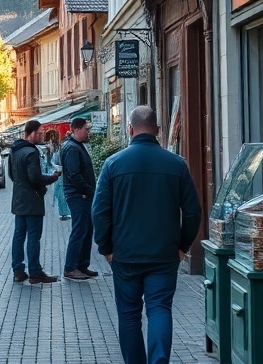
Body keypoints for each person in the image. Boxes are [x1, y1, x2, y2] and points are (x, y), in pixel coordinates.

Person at [92, 106, 201, 364]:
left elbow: (99, 212)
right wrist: (183, 246)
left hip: (125, 254)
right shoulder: (176, 164)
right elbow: (193, 211)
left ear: (130, 130)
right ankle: (159, 360)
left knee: (129, 314)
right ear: (158, 131)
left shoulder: (113, 164)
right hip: (164, 253)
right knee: (159, 308)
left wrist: (106, 248)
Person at [9, 119, 62, 284]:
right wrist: (52, 178)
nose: (41, 136)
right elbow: (35, 178)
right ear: (30, 132)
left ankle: (18, 270)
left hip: (18, 199)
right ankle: (35, 272)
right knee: (33, 237)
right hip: (32, 201)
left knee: (19, 236)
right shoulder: (31, 152)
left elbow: (11, 175)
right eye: (39, 133)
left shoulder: (15, 150)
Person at [61, 117, 97, 280]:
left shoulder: (76, 146)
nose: (87, 132)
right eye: (86, 129)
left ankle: (82, 265)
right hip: (78, 196)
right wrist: (89, 190)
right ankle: (71, 267)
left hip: (82, 195)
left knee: (86, 229)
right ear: (76, 129)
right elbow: (74, 175)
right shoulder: (73, 148)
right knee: (79, 230)